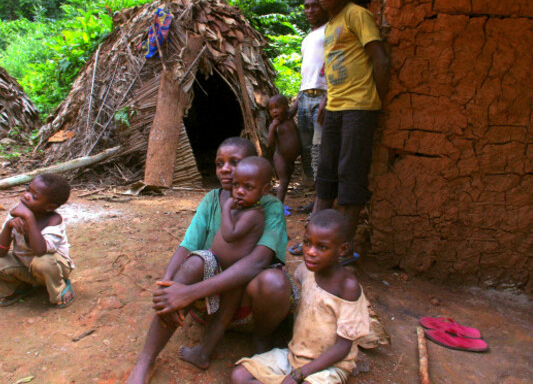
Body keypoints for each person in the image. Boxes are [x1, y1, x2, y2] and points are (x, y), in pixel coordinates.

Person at [128, 137, 295, 384]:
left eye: (234, 162)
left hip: (249, 294)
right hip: (210, 299)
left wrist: (188, 292)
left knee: (275, 281)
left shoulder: (269, 207)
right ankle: (146, 361)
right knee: (194, 262)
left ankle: (261, 338)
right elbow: (188, 245)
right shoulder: (211, 200)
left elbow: (257, 263)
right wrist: (167, 283)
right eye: (219, 163)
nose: (225, 169)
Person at [231, 210, 372, 384]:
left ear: (342, 249)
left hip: (330, 366)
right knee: (239, 376)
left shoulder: (347, 287)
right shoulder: (305, 271)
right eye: (307, 243)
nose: (311, 252)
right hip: (295, 355)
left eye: (322, 247)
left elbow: (343, 347)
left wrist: (299, 374)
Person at [312, 0, 390, 265]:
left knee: (350, 178)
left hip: (358, 109)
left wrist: (373, 101)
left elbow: (380, 61)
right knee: (326, 174)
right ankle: (315, 240)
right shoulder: (331, 25)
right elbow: (339, 67)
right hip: (335, 108)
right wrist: (328, 97)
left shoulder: (358, 15)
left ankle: (343, 249)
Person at [179, 156, 273, 368]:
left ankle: (204, 352)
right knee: (216, 313)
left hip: (234, 276)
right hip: (222, 269)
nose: (239, 191)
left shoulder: (253, 215)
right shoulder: (244, 209)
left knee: (222, 316)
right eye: (237, 185)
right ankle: (204, 351)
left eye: (248, 187)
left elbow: (229, 234)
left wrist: (228, 208)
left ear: (264, 190)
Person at [0, 174, 75, 308]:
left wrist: (29, 217)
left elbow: (40, 251)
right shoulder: (16, 214)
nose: (26, 195)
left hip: (54, 269)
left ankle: (60, 289)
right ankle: (20, 287)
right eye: (28, 190)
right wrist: (9, 225)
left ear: (50, 207)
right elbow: (0, 252)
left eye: (34, 196)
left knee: (43, 261)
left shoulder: (53, 220)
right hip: (27, 268)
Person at [287, 0, 329, 254]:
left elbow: (333, 67)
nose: (310, 10)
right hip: (305, 97)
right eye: (306, 6)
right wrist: (296, 101)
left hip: (322, 96)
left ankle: (321, 203)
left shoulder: (331, 31)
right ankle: (313, 197)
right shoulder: (308, 38)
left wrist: (329, 96)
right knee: (306, 150)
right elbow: (308, 72)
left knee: (320, 149)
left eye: (314, 5)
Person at [267, 95, 301, 209]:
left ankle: (280, 204)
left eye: (277, 107)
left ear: (286, 107)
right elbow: (270, 144)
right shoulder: (274, 126)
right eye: (271, 109)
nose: (274, 111)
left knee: (287, 181)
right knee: (284, 181)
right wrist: (272, 129)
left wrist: (301, 93)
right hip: (280, 157)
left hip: (291, 159)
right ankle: (278, 206)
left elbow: (296, 104)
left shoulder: (289, 117)